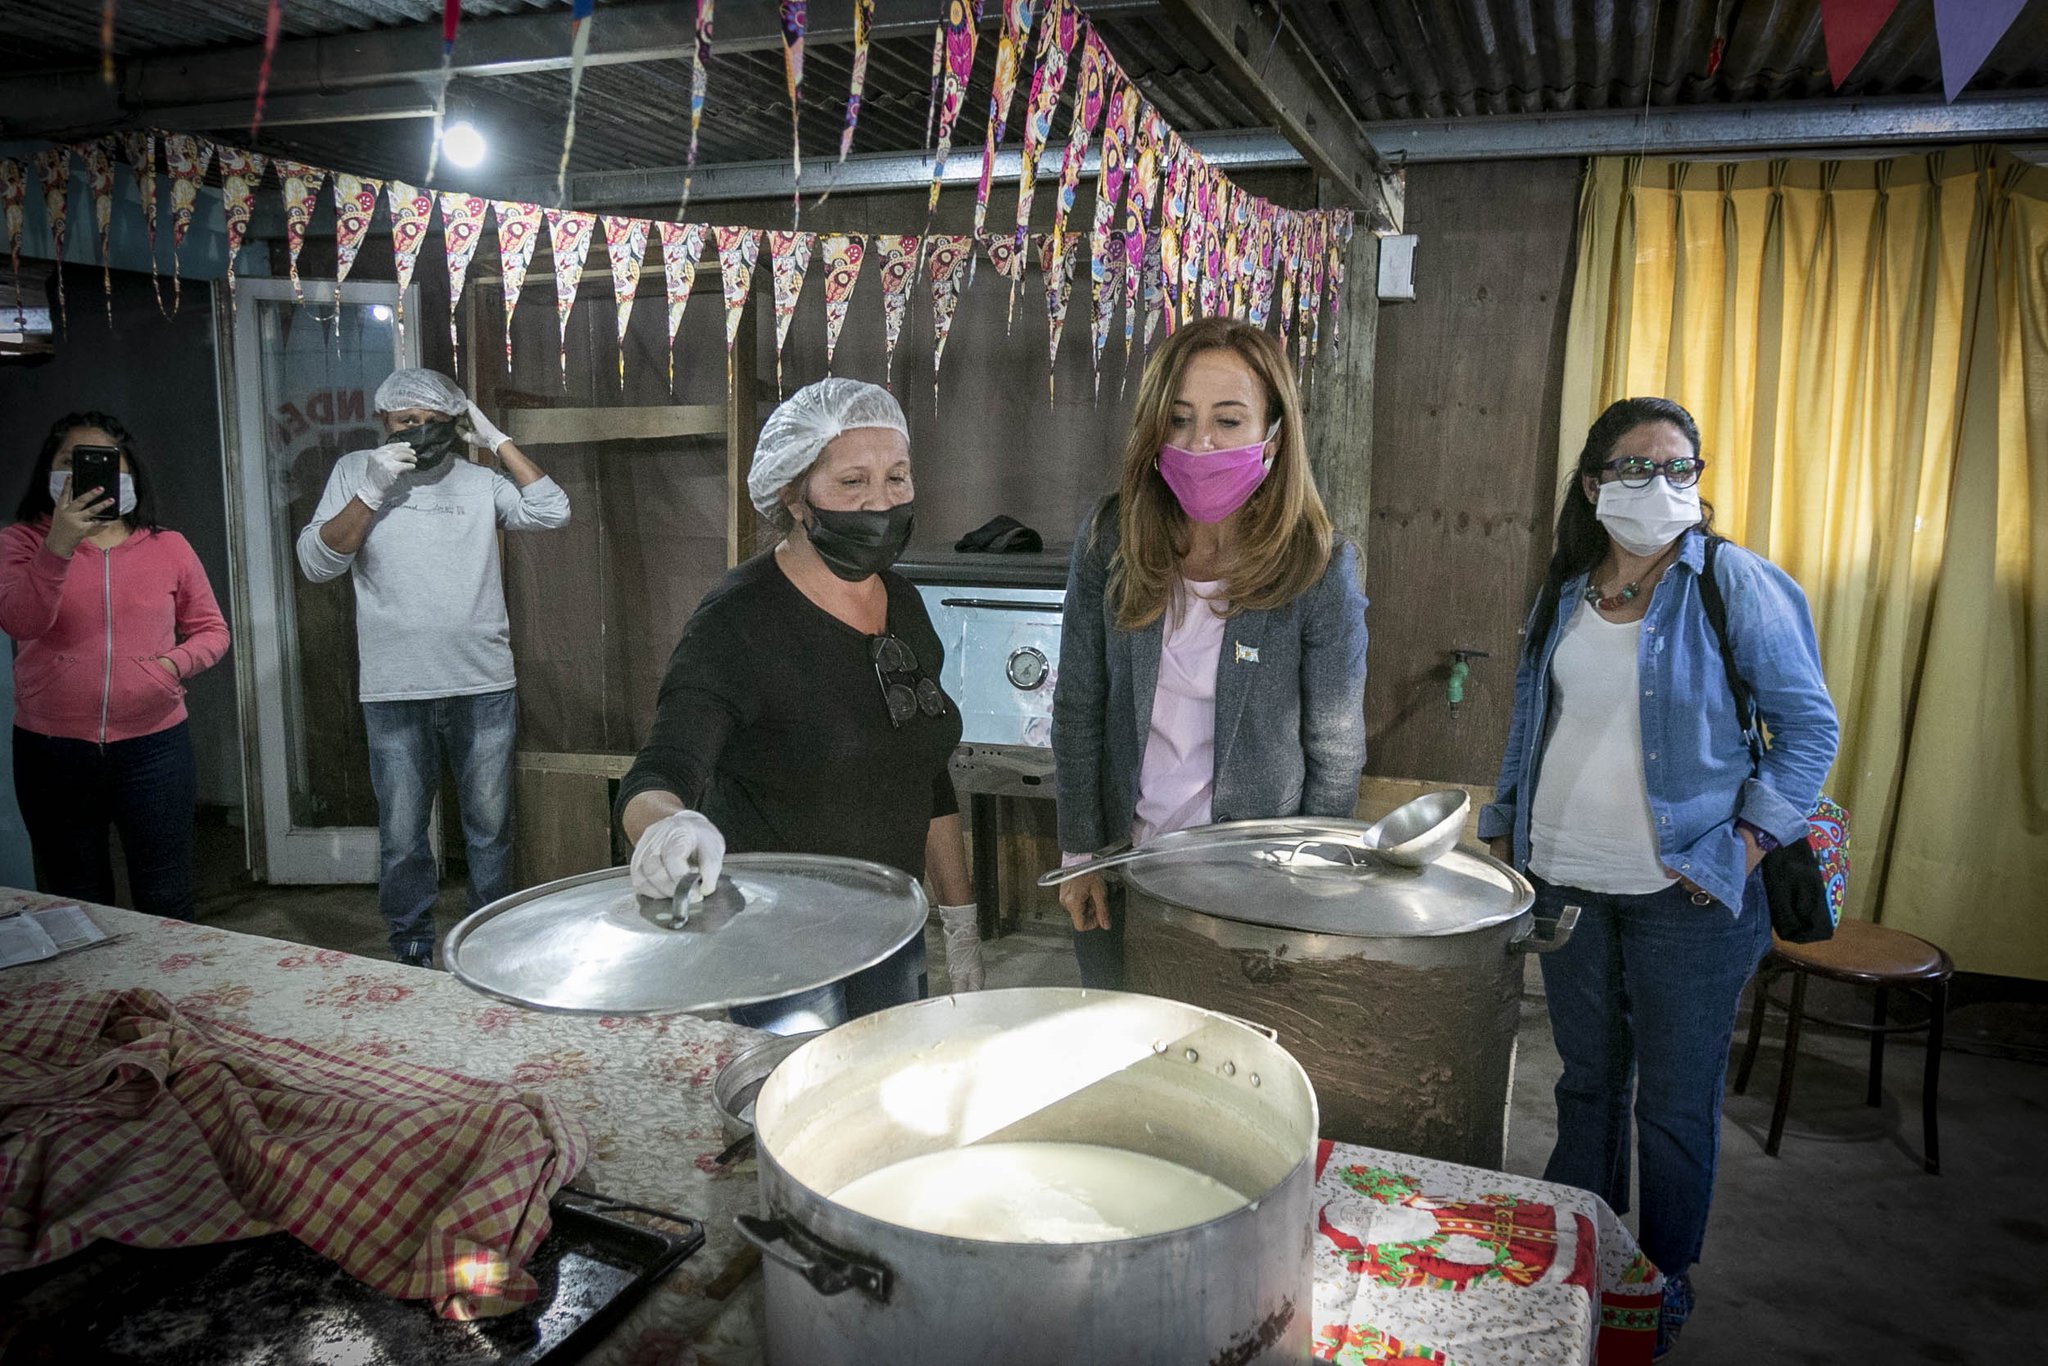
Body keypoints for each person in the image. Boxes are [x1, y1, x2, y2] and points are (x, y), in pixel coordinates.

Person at [1479, 396, 1839, 1359]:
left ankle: (1659, 1279)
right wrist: (1503, 828)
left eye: (1680, 468)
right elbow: (1529, 724)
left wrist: (1747, 846)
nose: (1661, 485)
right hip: (1565, 883)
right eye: (1636, 468)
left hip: (1690, 892)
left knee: (1674, 1101)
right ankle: (1583, 1258)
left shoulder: (1736, 583)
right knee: (1588, 1086)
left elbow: (1809, 734)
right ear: (1595, 485)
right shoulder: (1564, 591)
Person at [616, 378, 980, 1033]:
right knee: (801, 1107)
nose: (881, 501)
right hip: (778, 941)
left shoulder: (904, 605)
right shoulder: (738, 623)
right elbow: (662, 768)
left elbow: (924, 769)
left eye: (898, 478)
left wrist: (960, 923)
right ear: (794, 494)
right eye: (852, 483)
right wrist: (667, 826)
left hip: (891, 923)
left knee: (885, 1095)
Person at [1052, 315, 1369, 989]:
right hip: (1124, 867)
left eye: (1228, 421)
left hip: (1252, 885)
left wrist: (1305, 887)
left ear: (1273, 438)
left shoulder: (1317, 564)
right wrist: (1080, 852)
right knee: (1126, 1057)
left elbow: (1334, 747)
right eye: (1178, 419)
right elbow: (1078, 705)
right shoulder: (1110, 539)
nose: (1199, 443)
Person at [296, 369, 571, 967]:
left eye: (433, 424)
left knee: (490, 828)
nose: (419, 435)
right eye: (405, 424)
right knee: (401, 835)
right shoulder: (354, 472)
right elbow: (318, 564)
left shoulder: (478, 481)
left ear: (454, 426)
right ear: (383, 425)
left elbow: (551, 511)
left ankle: (487, 941)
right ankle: (411, 943)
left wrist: (496, 440)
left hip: (481, 681)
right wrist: (372, 489)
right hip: (396, 686)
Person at [0, 412, 230, 921]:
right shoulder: (19, 542)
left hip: (154, 747)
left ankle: (169, 1000)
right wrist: (58, 544)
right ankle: (91, 998)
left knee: (166, 897)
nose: (86, 472)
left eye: (104, 462)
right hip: (51, 752)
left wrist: (170, 665)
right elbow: (20, 621)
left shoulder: (168, 546)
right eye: (70, 462)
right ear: (49, 472)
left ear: (128, 473)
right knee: (75, 901)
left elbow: (213, 630)